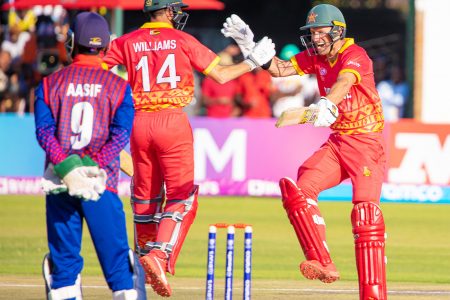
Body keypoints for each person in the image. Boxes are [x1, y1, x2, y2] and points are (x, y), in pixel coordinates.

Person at [102, 0, 275, 297]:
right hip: (172, 122)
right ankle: (158, 256)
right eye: (176, 10)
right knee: (182, 197)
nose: (179, 15)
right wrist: (252, 61)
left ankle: (139, 281)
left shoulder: (126, 41)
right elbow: (220, 75)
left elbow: (97, 67)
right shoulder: (182, 39)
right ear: (168, 12)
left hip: (139, 123)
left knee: (145, 199)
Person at [223, 4, 387, 300]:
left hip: (365, 143)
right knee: (300, 188)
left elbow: (344, 81)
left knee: (365, 214)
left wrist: (326, 104)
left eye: (320, 32)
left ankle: (373, 294)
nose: (315, 38)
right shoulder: (315, 55)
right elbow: (280, 69)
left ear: (338, 30)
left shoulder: (355, 55)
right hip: (339, 142)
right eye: (311, 33)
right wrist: (250, 48)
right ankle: (322, 261)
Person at [34, 12, 146, 300]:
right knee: (122, 274)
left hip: (61, 183)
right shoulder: (119, 87)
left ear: (71, 43)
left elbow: (44, 133)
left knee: (64, 272)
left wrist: (68, 167)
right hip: (101, 184)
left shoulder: (48, 85)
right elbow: (121, 135)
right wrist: (92, 165)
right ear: (106, 47)